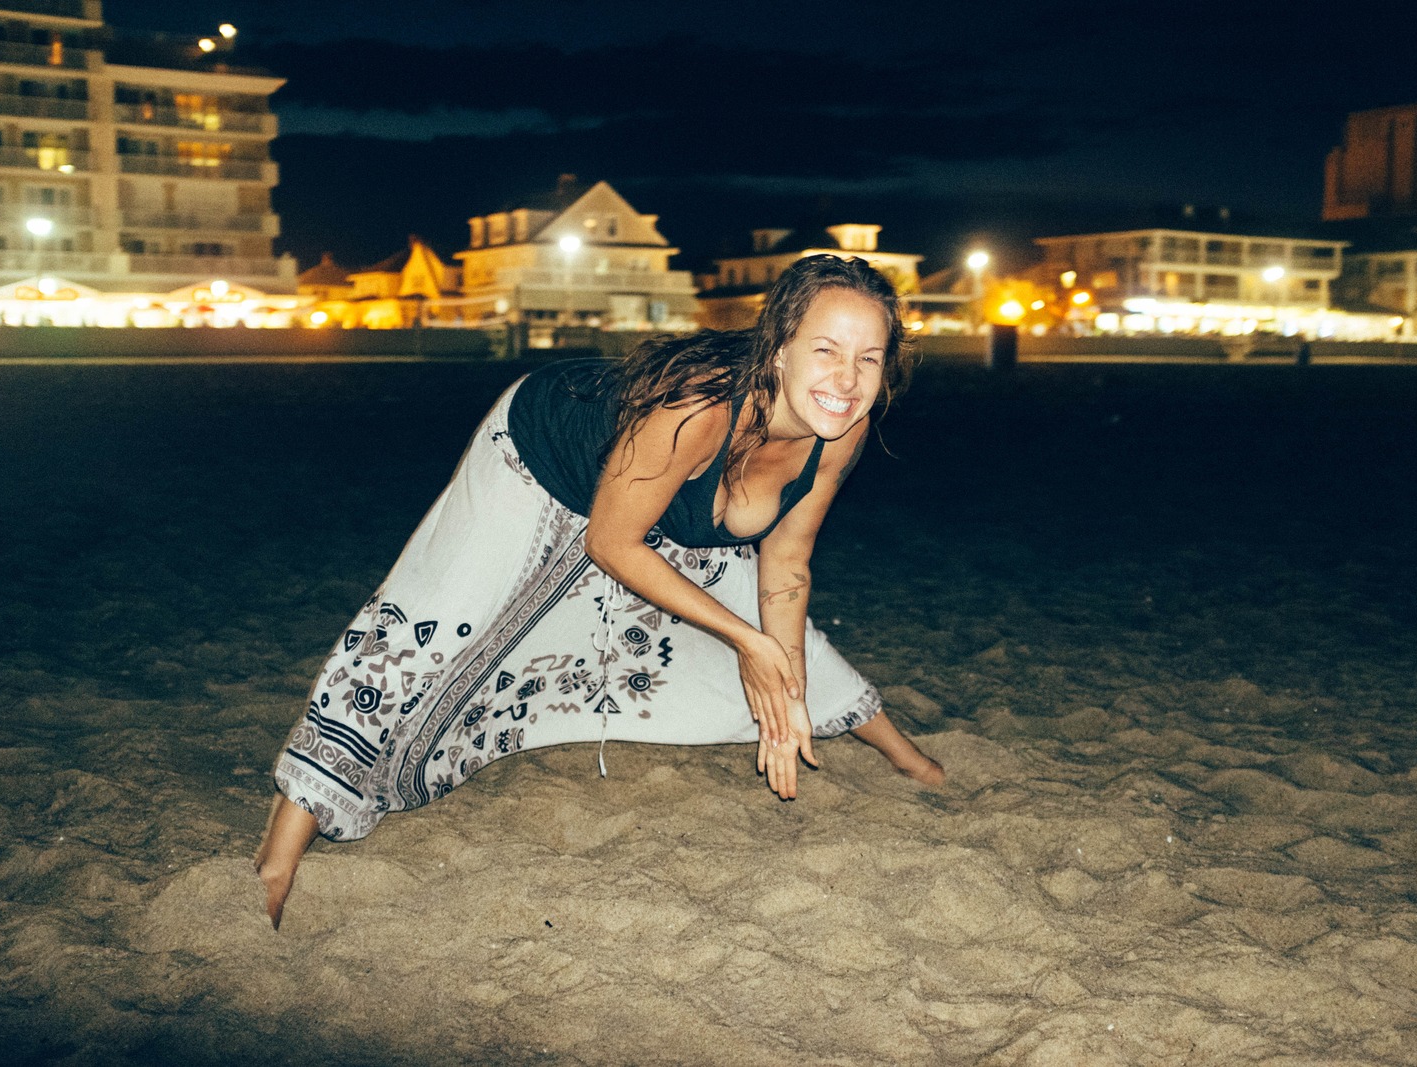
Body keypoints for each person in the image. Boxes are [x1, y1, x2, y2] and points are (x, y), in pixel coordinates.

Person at [255, 254, 943, 929]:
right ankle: (280, 853)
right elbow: (611, 544)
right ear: (780, 349)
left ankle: (906, 757)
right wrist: (747, 642)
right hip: (540, 452)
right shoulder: (698, 405)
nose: (847, 379)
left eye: (869, 358)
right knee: (431, 632)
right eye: (826, 350)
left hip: (652, 500)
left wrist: (784, 690)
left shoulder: (842, 429)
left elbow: (786, 567)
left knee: (762, 627)